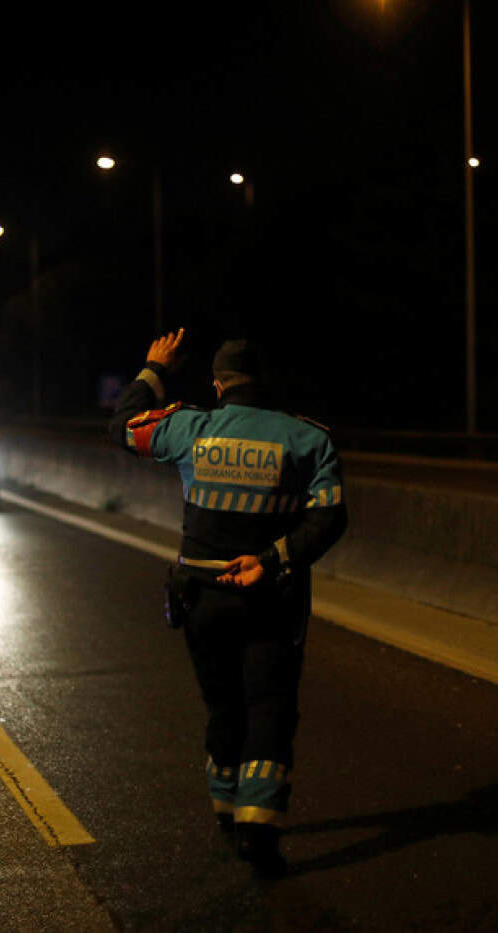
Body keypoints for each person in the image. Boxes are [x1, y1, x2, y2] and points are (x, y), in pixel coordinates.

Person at [109, 328, 348, 878]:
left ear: (217, 385)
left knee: (222, 704)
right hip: (270, 596)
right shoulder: (307, 439)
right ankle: (257, 831)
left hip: (201, 598)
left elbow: (122, 428)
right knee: (268, 706)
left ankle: (224, 808)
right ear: (265, 383)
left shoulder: (190, 428)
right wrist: (275, 557)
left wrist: (153, 369)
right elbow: (330, 517)